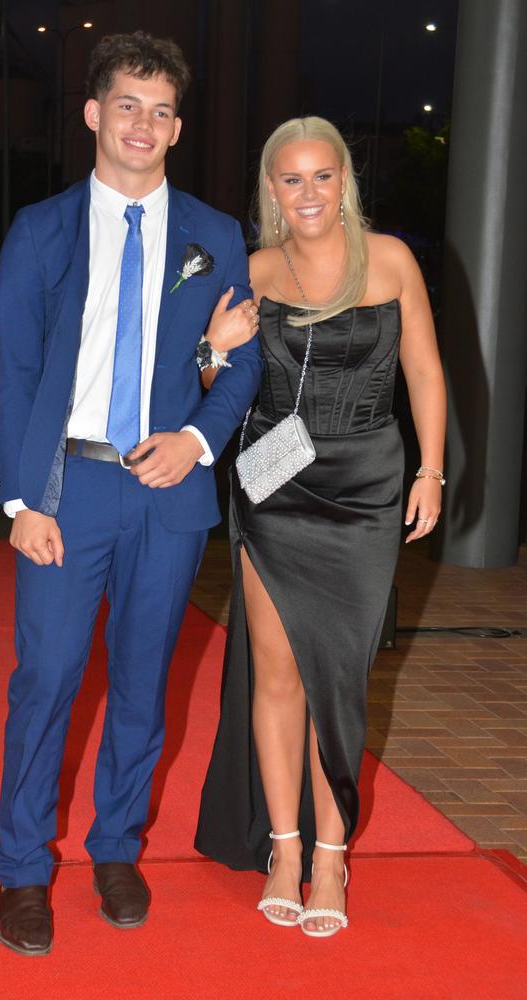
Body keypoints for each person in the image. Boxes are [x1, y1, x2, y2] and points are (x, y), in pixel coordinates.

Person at [0, 31, 262, 956]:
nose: (142, 124)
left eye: (160, 110)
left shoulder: (216, 236)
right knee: (48, 681)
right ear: (94, 114)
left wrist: (195, 441)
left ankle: (114, 849)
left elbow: (240, 363)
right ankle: (24, 869)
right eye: (127, 105)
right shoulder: (41, 229)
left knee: (144, 687)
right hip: (67, 488)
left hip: (168, 495)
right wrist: (23, 506)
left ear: (176, 126)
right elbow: (16, 373)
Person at [195, 116, 447, 938]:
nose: (308, 194)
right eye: (291, 179)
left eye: (322, 176)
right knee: (277, 676)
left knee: (339, 675)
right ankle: (285, 848)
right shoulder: (254, 268)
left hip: (368, 483)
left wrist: (431, 471)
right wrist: (210, 349)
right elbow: (210, 377)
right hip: (274, 482)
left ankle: (333, 857)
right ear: (272, 189)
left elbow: (425, 371)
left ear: (346, 181)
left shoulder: (394, 261)